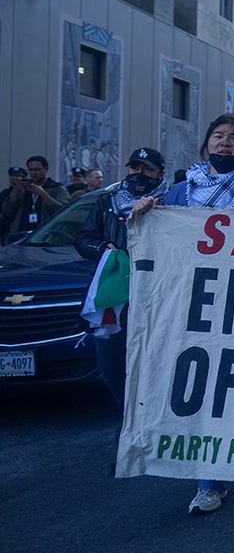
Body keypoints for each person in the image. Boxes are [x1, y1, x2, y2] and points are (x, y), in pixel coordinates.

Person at [155, 114, 234, 514]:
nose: (225, 144)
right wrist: (144, 216)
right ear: (206, 144)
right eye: (218, 137)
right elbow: (157, 246)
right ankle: (208, 482)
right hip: (190, 305)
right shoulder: (176, 195)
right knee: (204, 388)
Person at [75, 147, 171, 410]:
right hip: (114, 298)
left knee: (151, 368)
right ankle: (126, 417)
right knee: (110, 367)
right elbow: (83, 238)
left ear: (160, 174)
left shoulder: (172, 203)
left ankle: (144, 423)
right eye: (135, 168)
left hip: (154, 297)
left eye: (147, 169)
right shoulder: (107, 202)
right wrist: (104, 248)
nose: (139, 174)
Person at [2, 155, 72, 235]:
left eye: (38, 169)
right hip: (21, 234)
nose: (34, 173)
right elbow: (7, 212)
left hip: (45, 235)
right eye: (31, 170)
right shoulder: (24, 187)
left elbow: (64, 212)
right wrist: (15, 194)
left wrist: (43, 194)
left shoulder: (56, 188)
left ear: (46, 169)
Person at [0, 167, 27, 242]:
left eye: (18, 176)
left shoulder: (28, 191)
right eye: (12, 175)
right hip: (8, 227)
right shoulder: (5, 193)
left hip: (23, 225)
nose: (15, 178)